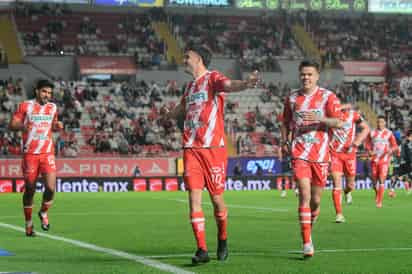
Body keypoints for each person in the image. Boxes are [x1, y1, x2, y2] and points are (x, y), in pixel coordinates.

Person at [161, 44, 258, 264]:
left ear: (199, 59)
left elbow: (229, 85)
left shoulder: (212, 78)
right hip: (191, 149)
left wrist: (246, 84)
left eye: (188, 56)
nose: (184, 59)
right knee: (193, 198)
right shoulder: (190, 87)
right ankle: (202, 250)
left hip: (213, 149)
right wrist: (167, 116)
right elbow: (181, 109)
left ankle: (222, 238)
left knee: (216, 200)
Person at [280, 60, 343, 259]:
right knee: (304, 195)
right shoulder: (291, 98)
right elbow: (285, 122)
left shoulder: (327, 97)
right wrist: (284, 140)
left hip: (321, 155)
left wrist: (320, 119)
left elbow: (339, 122)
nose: (306, 77)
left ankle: (311, 220)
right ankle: (307, 242)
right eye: (303, 74)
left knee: (316, 200)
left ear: (317, 76)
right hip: (299, 153)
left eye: (310, 74)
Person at [9, 79, 63, 237]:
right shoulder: (25, 106)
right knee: (30, 189)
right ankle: (28, 224)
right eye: (45, 91)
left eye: (50, 93)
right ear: (37, 91)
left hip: (47, 153)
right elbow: (12, 125)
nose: (47, 95)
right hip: (30, 154)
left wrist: (57, 126)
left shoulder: (53, 107)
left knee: (51, 188)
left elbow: (52, 125)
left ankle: (43, 212)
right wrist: (22, 126)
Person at [329, 103, 369, 222]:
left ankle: (347, 192)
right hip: (335, 153)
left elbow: (366, 128)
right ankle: (339, 214)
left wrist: (358, 140)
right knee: (337, 183)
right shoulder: (330, 116)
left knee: (350, 186)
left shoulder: (353, 115)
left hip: (350, 154)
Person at [365, 116, 399, 208]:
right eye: (378, 122)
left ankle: (379, 202)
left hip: (384, 160)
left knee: (381, 180)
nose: (380, 124)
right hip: (374, 159)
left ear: (385, 123)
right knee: (374, 182)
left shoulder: (389, 133)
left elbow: (395, 145)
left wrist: (390, 150)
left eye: (382, 122)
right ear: (377, 123)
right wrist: (369, 150)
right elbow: (367, 143)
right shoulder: (372, 133)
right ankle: (377, 194)